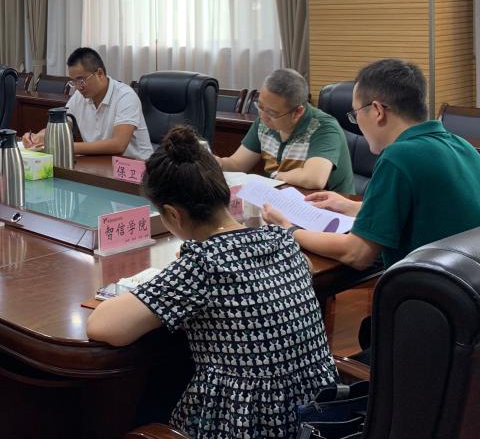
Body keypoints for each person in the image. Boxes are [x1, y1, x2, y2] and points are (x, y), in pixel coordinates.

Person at [86, 126, 336, 438]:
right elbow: (304, 269)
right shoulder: (282, 240)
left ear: (173, 215)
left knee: (150, 396)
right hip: (318, 420)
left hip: (245, 425)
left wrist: (179, 274)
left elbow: (103, 326)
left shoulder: (204, 264)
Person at [263, 59, 480, 270]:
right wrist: (351, 207)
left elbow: (357, 254)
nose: (356, 122)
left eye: (355, 113)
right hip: (465, 283)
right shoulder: (462, 146)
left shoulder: (398, 156)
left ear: (377, 111)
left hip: (423, 286)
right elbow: (426, 212)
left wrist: (289, 229)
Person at [217, 68, 354, 193]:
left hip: (327, 207)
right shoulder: (264, 122)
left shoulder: (324, 128)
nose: (262, 116)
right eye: (260, 106)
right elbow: (237, 164)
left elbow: (314, 179)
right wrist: (214, 162)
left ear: (297, 112)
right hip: (280, 200)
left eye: (271, 113)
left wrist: (277, 176)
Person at [22, 47, 153, 159]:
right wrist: (39, 137)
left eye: (81, 80)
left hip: (136, 169)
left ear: (100, 73)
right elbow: (62, 126)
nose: (78, 87)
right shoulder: (79, 97)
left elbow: (118, 145)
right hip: (101, 164)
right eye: (73, 82)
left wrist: (65, 147)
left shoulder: (125, 96)